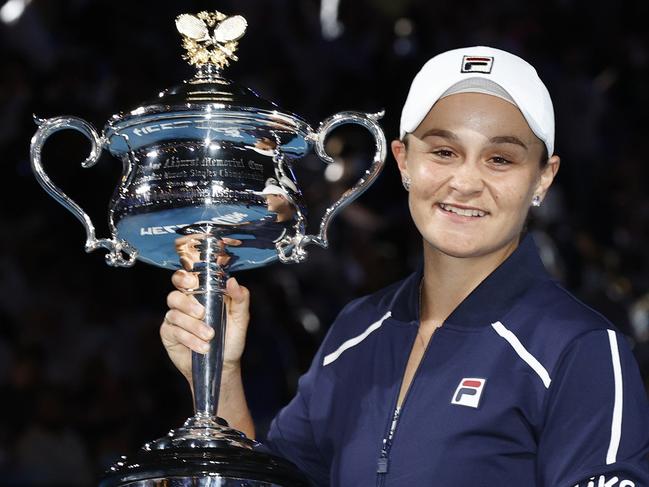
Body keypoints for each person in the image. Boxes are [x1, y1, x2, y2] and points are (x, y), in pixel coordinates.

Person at [159, 46, 649, 486]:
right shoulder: (355, 332)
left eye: (500, 159)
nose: (465, 181)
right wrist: (220, 372)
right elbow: (267, 481)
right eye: (443, 152)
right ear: (404, 161)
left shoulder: (579, 349)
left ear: (543, 178)